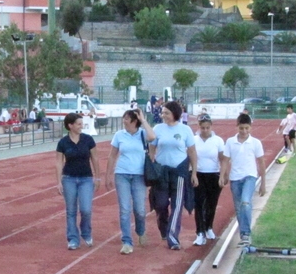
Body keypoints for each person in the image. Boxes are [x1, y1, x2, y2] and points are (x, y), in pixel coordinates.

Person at [149, 100, 198, 250]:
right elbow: (152, 148)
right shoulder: (158, 128)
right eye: (162, 112)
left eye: (166, 113)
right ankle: (164, 228)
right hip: (162, 172)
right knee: (161, 203)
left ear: (175, 114)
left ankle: (173, 237)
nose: (163, 115)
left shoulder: (185, 130)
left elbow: (191, 152)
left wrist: (194, 172)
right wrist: (152, 165)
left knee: (177, 205)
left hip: (179, 171)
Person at [104, 109, 154, 254]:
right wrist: (108, 175)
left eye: (126, 118)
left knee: (140, 210)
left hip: (139, 175)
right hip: (122, 174)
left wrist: (143, 120)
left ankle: (140, 230)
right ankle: (126, 241)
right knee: (125, 209)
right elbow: (112, 156)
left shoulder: (143, 134)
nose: (123, 121)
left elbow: (152, 136)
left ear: (134, 121)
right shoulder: (119, 135)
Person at [220, 113, 266, 247]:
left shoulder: (255, 143)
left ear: (250, 127)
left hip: (250, 176)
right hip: (235, 178)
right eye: (241, 128)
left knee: (245, 202)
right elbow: (225, 160)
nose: (244, 131)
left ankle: (246, 233)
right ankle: (243, 235)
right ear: (237, 127)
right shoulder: (230, 142)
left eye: (247, 128)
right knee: (239, 208)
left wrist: (263, 183)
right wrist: (223, 175)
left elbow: (261, 162)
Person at [56, 113, 101, 250]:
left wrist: (97, 177)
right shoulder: (63, 142)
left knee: (86, 209)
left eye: (82, 124)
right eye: (79, 124)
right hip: (68, 179)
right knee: (71, 210)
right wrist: (58, 181)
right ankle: (73, 239)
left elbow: (95, 159)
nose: (82, 126)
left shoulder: (88, 140)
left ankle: (86, 232)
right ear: (70, 126)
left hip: (86, 179)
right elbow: (58, 162)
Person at [192, 113, 225, 246]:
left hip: (214, 174)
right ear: (198, 127)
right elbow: (191, 158)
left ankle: (209, 227)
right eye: (202, 128)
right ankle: (200, 232)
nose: (205, 131)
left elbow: (223, 160)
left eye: (207, 128)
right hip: (199, 174)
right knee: (199, 204)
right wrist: (193, 174)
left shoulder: (218, 141)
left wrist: (223, 176)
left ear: (211, 127)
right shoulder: (193, 140)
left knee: (212, 204)